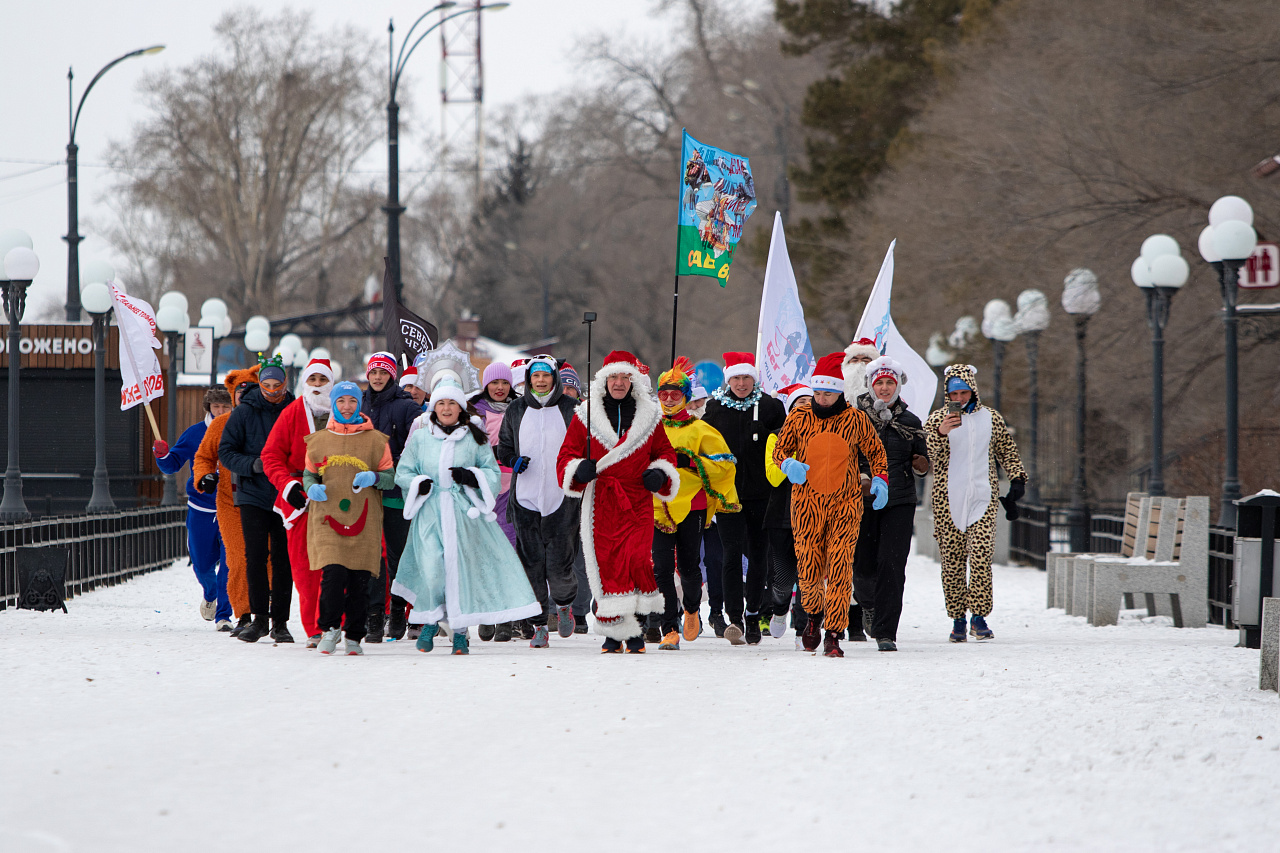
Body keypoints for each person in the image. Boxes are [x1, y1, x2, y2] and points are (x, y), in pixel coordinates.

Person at [392, 377, 541, 655]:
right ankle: (430, 620)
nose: (446, 408)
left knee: (459, 572)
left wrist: (471, 477)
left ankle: (460, 633)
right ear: (433, 407)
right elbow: (403, 471)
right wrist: (417, 484)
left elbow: (492, 473)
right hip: (430, 514)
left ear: (461, 408)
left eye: (452, 403)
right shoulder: (422, 437)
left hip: (463, 513)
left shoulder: (474, 437)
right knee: (433, 569)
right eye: (441, 403)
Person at [557, 350, 679, 653]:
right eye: (614, 377)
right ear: (604, 380)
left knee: (637, 560)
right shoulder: (585, 416)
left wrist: (660, 474)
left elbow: (665, 453)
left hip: (636, 498)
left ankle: (635, 627)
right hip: (602, 500)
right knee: (608, 564)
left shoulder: (650, 416)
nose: (619, 383)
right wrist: (578, 469)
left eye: (625, 377)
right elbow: (566, 455)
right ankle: (615, 634)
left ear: (634, 380)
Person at [773, 352, 888, 658]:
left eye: (828, 393)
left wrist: (880, 480)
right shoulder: (799, 417)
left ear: (839, 392)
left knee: (839, 567)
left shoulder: (855, 419)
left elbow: (876, 453)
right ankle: (812, 617)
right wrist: (787, 464)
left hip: (846, 504)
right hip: (807, 504)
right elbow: (779, 450)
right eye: (818, 392)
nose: (822, 399)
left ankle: (834, 633)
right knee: (809, 567)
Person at [925, 364, 1027, 642]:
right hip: (948, 499)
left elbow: (1007, 449)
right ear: (947, 393)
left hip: (983, 496)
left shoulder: (991, 418)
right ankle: (958, 619)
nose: (959, 398)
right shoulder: (937, 419)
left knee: (981, 556)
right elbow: (926, 457)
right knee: (952, 561)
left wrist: (1017, 479)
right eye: (954, 393)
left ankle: (979, 617)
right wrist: (941, 433)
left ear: (973, 390)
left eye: (964, 391)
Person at [652, 357, 738, 650]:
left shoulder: (700, 429)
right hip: (658, 506)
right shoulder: (651, 428)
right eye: (663, 394)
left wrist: (690, 461)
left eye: (675, 394)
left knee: (688, 566)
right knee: (661, 567)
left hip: (693, 504)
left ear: (686, 397)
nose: (668, 399)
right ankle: (669, 627)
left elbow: (725, 465)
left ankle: (691, 608)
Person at [303, 382, 396, 656]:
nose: (347, 406)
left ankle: (354, 635)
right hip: (327, 517)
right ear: (333, 404)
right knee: (333, 575)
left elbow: (390, 479)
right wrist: (310, 486)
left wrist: (375, 477)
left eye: (352, 401)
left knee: (359, 579)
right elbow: (309, 473)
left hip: (364, 520)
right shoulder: (319, 440)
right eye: (341, 401)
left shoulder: (376, 441)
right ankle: (329, 630)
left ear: (360, 404)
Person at [496, 355, 582, 648]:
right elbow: (504, 447)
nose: (541, 381)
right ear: (528, 379)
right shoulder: (516, 409)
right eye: (536, 376)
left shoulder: (572, 409)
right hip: (526, 498)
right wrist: (512, 460)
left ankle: (564, 604)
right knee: (531, 564)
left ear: (555, 378)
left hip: (562, 497)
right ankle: (539, 626)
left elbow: (587, 445)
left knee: (560, 564)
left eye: (546, 376)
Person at [701, 351, 785, 644]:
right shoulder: (714, 410)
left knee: (760, 556)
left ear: (754, 379)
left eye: (746, 377)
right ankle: (734, 616)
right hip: (727, 495)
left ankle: (753, 613)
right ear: (727, 380)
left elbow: (783, 443)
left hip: (762, 495)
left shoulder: (771, 406)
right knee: (731, 555)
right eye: (735, 378)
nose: (741, 383)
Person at [852, 357, 930, 652]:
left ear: (898, 385)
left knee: (893, 565)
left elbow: (921, 462)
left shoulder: (910, 421)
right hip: (862, 499)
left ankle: (886, 632)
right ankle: (869, 605)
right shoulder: (855, 416)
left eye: (890, 383)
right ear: (871, 386)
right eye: (879, 383)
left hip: (899, 500)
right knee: (863, 566)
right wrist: (859, 478)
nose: (884, 388)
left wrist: (921, 464)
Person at [219, 354, 296, 644]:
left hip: (286, 491)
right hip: (252, 492)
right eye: (267, 385)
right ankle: (258, 619)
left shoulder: (295, 408)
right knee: (255, 557)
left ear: (286, 384)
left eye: (278, 385)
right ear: (260, 384)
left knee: (282, 558)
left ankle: (280, 622)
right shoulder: (244, 411)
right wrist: (253, 465)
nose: (273, 391)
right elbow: (226, 452)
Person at [260, 358, 335, 648]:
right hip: (300, 500)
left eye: (322, 380)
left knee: (338, 563)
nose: (317, 386)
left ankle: (337, 622)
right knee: (304, 566)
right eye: (312, 380)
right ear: (305, 382)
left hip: (338, 498)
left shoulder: (344, 412)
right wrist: (288, 485)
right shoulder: (291, 413)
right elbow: (271, 455)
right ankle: (314, 628)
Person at [154, 387, 234, 630]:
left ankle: (224, 616)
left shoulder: (239, 431)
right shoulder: (195, 433)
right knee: (201, 563)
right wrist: (162, 455)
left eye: (225, 407)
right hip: (201, 508)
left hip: (230, 508)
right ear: (208, 408)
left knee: (229, 564)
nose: (221, 411)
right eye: (216, 406)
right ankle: (210, 594)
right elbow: (171, 466)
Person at [193, 367, 261, 635]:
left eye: (250, 391)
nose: (245, 396)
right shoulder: (221, 425)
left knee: (266, 558)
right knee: (237, 558)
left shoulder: (270, 420)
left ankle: (266, 612)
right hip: (229, 500)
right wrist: (205, 476)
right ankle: (243, 613)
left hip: (265, 498)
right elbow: (203, 457)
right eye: (239, 392)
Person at [362, 352, 422, 643]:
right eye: (373, 372)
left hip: (396, 492)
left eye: (383, 373)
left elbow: (416, 446)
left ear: (392, 376)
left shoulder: (405, 406)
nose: (377, 377)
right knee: (371, 556)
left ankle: (398, 611)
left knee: (398, 558)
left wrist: (389, 464)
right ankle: (374, 617)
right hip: (364, 494)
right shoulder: (357, 403)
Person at [470, 361, 520, 643]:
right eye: (494, 383)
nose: (499, 388)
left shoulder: (518, 407)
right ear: (486, 385)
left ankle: (506, 618)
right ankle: (487, 613)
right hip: (483, 488)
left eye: (504, 383)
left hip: (512, 488)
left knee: (508, 551)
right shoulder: (474, 410)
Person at [763, 382, 813, 647]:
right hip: (781, 514)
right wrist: (790, 459)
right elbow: (772, 477)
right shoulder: (776, 436)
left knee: (808, 575)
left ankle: (803, 627)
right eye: (799, 404)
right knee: (783, 579)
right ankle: (780, 608)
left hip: (813, 512)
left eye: (809, 402)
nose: (804, 408)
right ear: (790, 409)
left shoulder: (823, 435)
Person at [842, 336, 881, 637]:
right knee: (842, 556)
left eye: (865, 360)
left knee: (866, 557)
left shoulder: (881, 405)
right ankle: (849, 620)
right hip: (836, 489)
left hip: (872, 493)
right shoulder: (834, 400)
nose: (858, 367)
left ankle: (869, 607)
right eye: (853, 361)